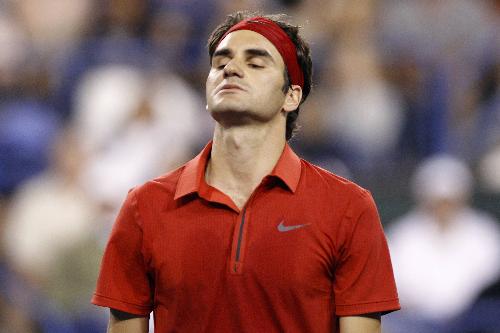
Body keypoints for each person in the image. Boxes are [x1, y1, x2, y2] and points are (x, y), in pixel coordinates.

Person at [92, 12, 400, 332]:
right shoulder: (144, 207)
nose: (231, 69)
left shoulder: (348, 208)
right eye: (220, 62)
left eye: (255, 63)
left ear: (291, 95)